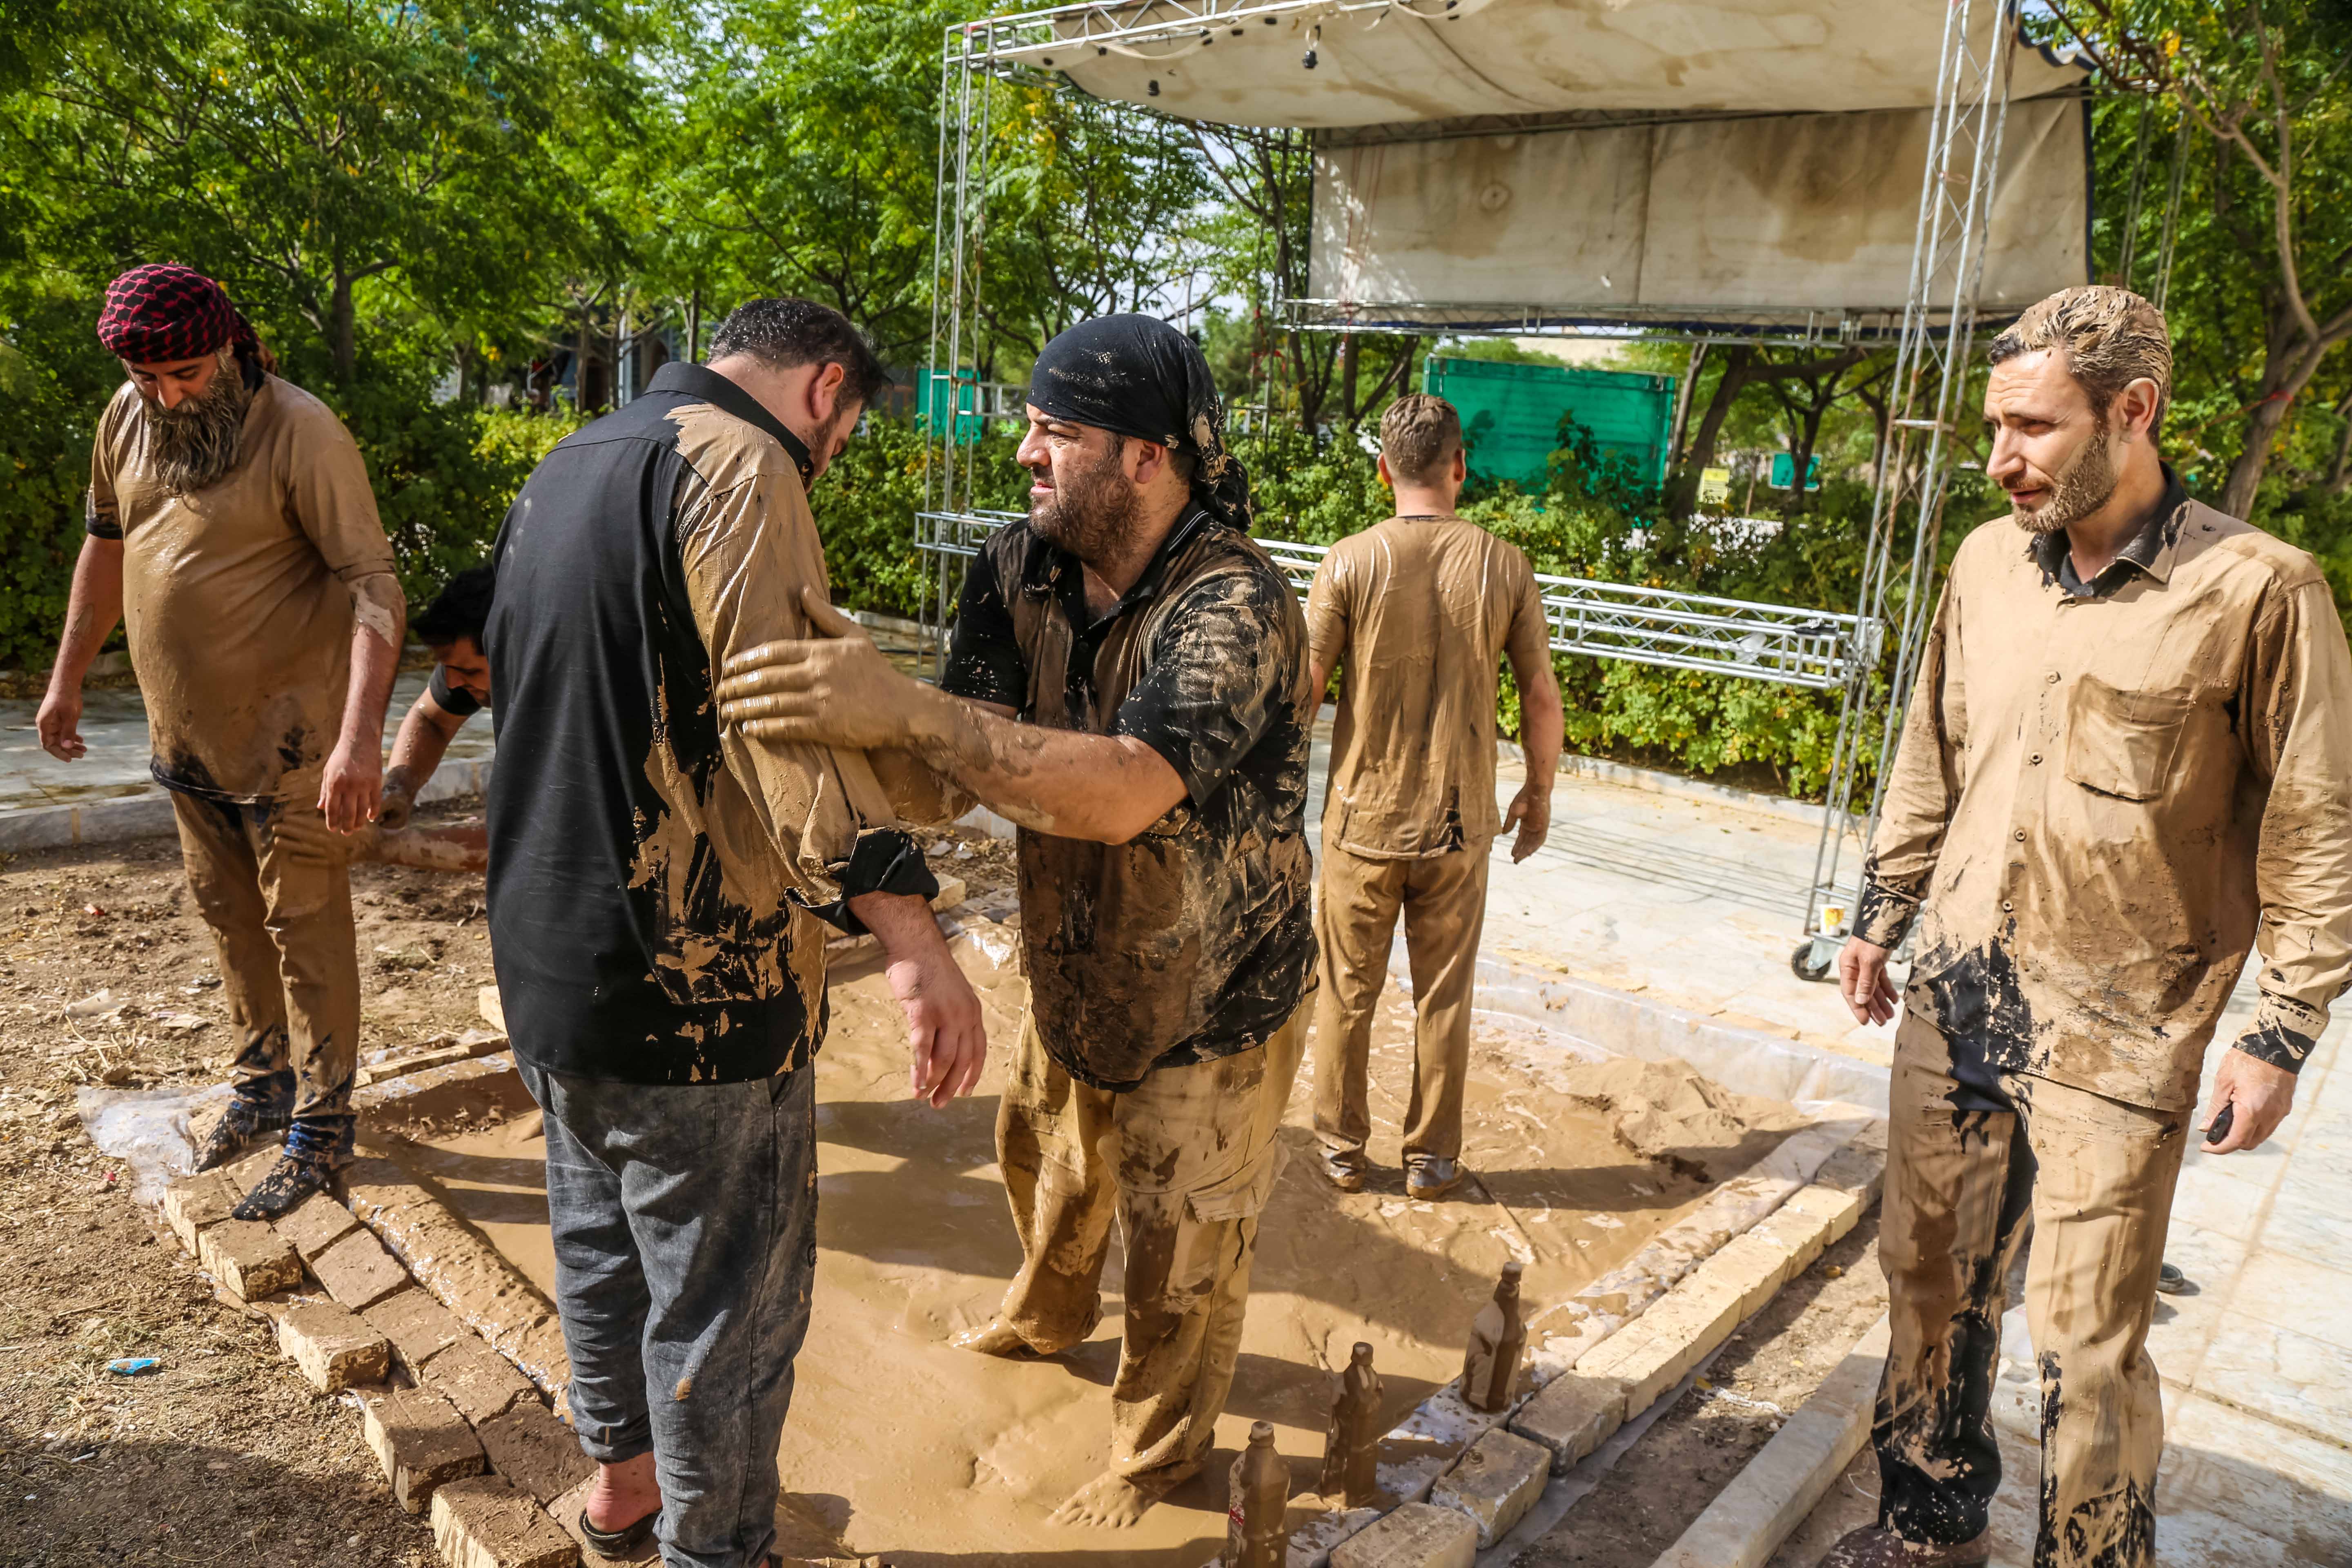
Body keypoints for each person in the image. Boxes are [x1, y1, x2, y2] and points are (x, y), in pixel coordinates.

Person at [714, 314, 1318, 1529]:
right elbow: (959, 771)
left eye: (1058, 431)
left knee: (1180, 1253)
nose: (1026, 452)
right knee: (1048, 1163)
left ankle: (1154, 1460)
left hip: (1219, 997)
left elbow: (1125, 790)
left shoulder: (1236, 603)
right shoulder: (1019, 567)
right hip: (1075, 957)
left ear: (1145, 456)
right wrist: (848, 735)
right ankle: (1048, 1319)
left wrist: (913, 713)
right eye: (1031, 426)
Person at [1826, 286, 2352, 1568]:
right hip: (1954, 988)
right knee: (1929, 1277)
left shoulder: (2261, 590)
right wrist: (1882, 909)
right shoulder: (1982, 562)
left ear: (2134, 411)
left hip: (2122, 1029)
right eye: (1995, 427)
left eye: (2034, 428)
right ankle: (1928, 1519)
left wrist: (2282, 1028)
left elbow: (2319, 819)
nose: (2002, 457)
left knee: (2084, 1342)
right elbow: (1932, 745)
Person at [484, 297, 988, 1568]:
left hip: (548, 964)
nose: (832, 461)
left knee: (598, 1249)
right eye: (848, 435)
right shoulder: (741, 462)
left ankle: (621, 1494)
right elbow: (788, 728)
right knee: (728, 1313)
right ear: (827, 389)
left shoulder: (569, 461)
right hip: (694, 988)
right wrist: (917, 944)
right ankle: (719, 1550)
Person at [37, 263, 405, 1219]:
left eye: (187, 374)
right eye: (147, 377)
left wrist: (360, 740)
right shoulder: (127, 417)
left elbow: (374, 586)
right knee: (230, 920)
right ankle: (262, 1086)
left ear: (234, 347)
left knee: (305, 932)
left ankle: (322, 1128)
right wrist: (69, 677)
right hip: (188, 742)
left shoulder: (302, 430)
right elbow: (108, 546)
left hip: (297, 745)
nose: (167, 396)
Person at [1304, 393, 1563, 1200]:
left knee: (1347, 992)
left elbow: (1304, 688)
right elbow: (1542, 695)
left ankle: (1343, 1153)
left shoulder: (1348, 560)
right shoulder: (1505, 565)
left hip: (1362, 821)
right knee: (1445, 997)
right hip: (1460, 828)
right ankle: (1433, 1160)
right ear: (1460, 468)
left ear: (1383, 470)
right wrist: (1539, 791)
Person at [378, 564, 494, 830]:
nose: (452, 683)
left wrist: (399, 847)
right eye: (448, 669)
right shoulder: (468, 663)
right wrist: (399, 788)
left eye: (468, 671)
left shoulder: (574, 687)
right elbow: (432, 720)